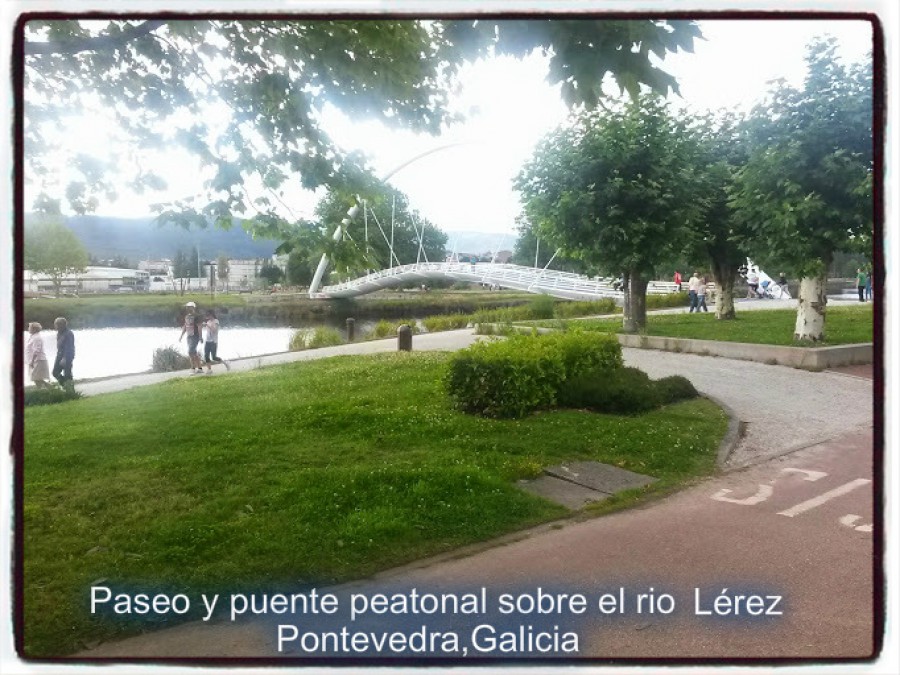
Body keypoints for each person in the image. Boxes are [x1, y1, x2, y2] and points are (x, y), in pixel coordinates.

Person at [179, 301, 204, 373]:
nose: (187, 308)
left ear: (193, 307)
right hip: (189, 336)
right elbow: (185, 326)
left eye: (189, 307)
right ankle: (200, 368)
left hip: (195, 336)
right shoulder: (187, 316)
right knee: (194, 352)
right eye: (187, 307)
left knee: (190, 351)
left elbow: (199, 327)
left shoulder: (197, 316)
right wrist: (181, 336)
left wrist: (200, 337)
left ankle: (193, 368)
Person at [202, 309, 230, 374]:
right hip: (207, 341)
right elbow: (208, 330)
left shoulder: (216, 321)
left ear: (212, 315)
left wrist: (207, 325)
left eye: (208, 315)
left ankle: (225, 363)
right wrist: (204, 325)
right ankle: (209, 370)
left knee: (214, 357)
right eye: (207, 315)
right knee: (206, 356)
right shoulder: (208, 321)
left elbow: (214, 330)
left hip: (213, 341)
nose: (207, 316)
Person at [25, 322, 50, 388]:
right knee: (36, 377)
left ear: (34, 329)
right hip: (35, 360)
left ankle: (49, 387)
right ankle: (45, 388)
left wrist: (32, 361)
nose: (28, 329)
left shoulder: (37, 338)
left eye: (29, 327)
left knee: (35, 377)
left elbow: (36, 351)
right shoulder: (33, 337)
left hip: (38, 360)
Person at [52, 317, 75, 386]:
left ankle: (70, 391)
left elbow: (69, 347)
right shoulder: (59, 333)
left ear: (61, 325)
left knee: (67, 373)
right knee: (55, 372)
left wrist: (65, 358)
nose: (55, 326)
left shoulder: (68, 333)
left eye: (56, 325)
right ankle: (65, 385)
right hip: (59, 354)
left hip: (67, 356)